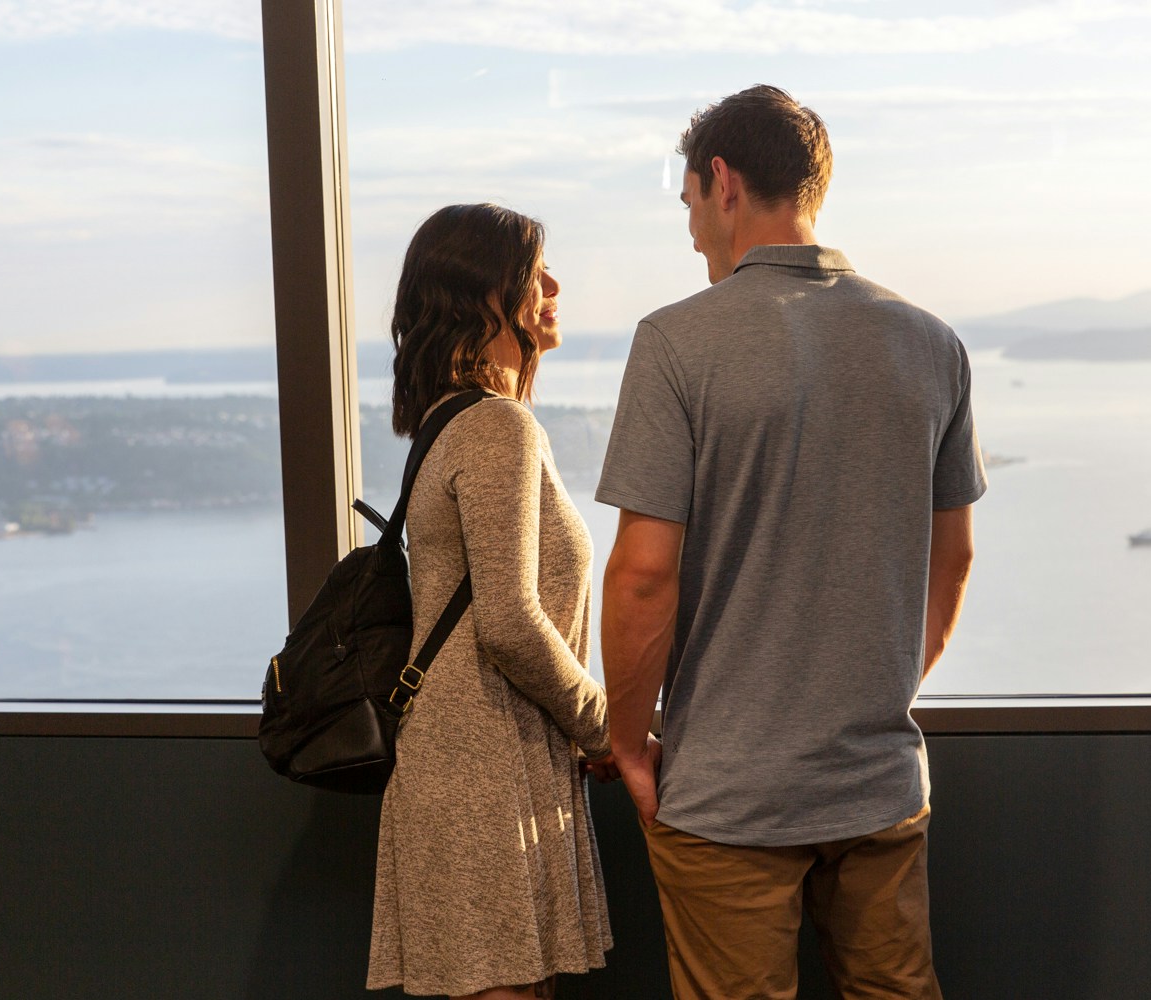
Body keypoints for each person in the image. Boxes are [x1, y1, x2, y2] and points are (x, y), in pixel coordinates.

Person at [596, 85, 985, 999]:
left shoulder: (675, 344)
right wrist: (875, 690)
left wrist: (630, 744)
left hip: (728, 797)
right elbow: (955, 557)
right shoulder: (933, 344)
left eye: (688, 200)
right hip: (879, 785)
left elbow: (644, 577)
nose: (690, 228)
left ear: (722, 182)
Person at [368, 203, 619, 1000]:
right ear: (483, 298)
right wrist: (603, 723)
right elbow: (510, 622)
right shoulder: (497, 428)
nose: (552, 284)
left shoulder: (450, 422)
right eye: (530, 272)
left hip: (473, 763)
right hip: (479, 772)